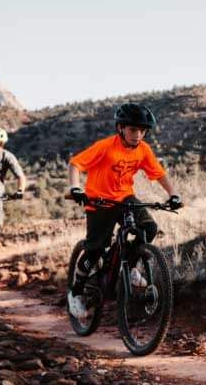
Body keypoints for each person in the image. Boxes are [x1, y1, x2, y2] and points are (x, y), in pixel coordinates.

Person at [66, 103, 182, 319]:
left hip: (125, 198)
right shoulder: (105, 146)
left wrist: (173, 194)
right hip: (99, 201)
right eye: (133, 130)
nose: (138, 135)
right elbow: (75, 164)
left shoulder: (143, 150)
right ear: (120, 128)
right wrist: (75, 187)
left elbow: (159, 174)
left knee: (149, 228)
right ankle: (75, 292)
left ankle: (129, 267)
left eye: (142, 131)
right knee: (95, 249)